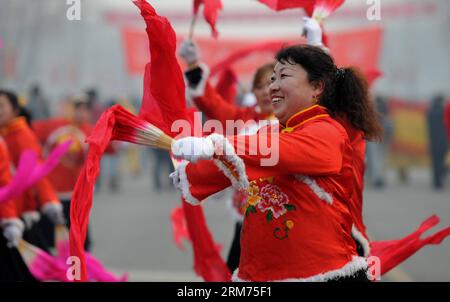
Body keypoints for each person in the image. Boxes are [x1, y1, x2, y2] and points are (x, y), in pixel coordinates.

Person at [170, 44, 382, 282]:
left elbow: (276, 152)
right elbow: (245, 158)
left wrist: (215, 145)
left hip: (322, 274)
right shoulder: (267, 129)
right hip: (260, 274)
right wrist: (191, 174)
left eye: (283, 76)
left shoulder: (329, 132)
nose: (272, 87)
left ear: (317, 87)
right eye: (270, 80)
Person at [179, 39, 277, 272]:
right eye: (260, 86)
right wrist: (193, 64)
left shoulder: (294, 123)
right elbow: (211, 104)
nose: (266, 92)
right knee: (235, 270)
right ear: (253, 91)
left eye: (272, 84)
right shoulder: (242, 119)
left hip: (281, 219)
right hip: (246, 216)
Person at [0, 89, 65, 252]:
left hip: (17, 211)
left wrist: (49, 200)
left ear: (15, 110)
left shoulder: (22, 136)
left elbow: (36, 173)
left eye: (1, 106)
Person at [32, 94, 93, 250]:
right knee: (47, 239)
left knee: (78, 241)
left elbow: (107, 147)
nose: (81, 113)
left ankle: (76, 270)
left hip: (76, 193)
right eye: (78, 108)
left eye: (85, 109)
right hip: (51, 192)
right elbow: (29, 130)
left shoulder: (89, 130)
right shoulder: (55, 126)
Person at [426, 94, 448, 189]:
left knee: (435, 162)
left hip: (433, 141)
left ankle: (436, 181)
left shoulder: (430, 112)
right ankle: (440, 178)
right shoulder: (443, 112)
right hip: (443, 141)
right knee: (443, 162)